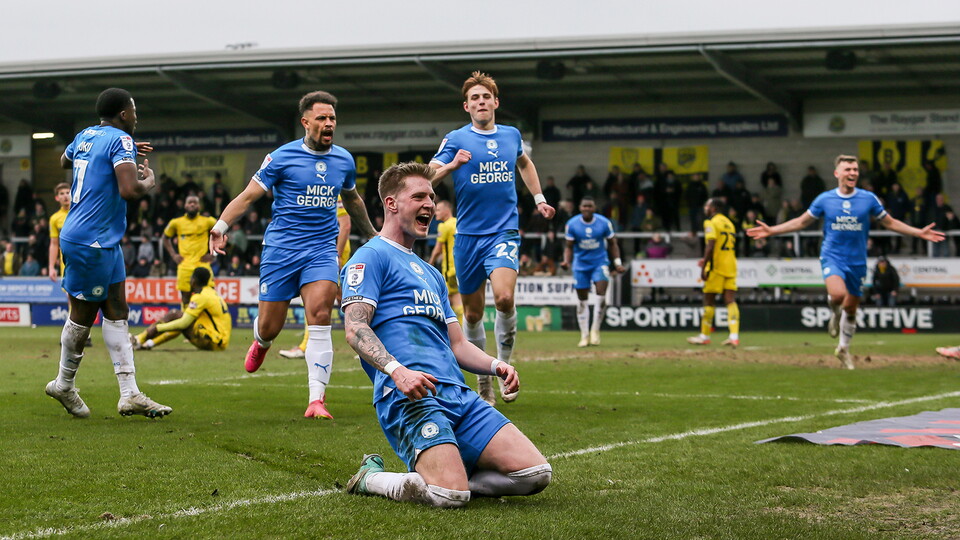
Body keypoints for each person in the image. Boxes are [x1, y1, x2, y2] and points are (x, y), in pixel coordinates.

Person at [341, 162, 551, 508]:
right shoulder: (370, 257)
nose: (430, 204)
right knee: (448, 496)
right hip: (411, 393)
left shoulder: (431, 274)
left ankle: (451, 470)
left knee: (535, 474)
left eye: (432, 197)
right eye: (419, 196)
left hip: (458, 395)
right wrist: (398, 372)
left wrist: (497, 365)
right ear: (391, 203)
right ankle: (372, 478)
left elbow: (458, 345)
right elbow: (356, 328)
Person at [210, 90, 377, 419]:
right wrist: (221, 225)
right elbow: (248, 196)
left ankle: (317, 400)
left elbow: (353, 200)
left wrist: (372, 235)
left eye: (332, 118)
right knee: (272, 325)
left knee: (320, 315)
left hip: (321, 250)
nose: (329, 123)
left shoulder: (343, 160)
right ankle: (261, 340)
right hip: (281, 251)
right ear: (306, 122)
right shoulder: (281, 157)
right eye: (321, 118)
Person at [428, 71, 555, 406]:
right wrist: (452, 164)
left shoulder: (512, 135)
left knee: (503, 298)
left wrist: (539, 199)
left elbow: (525, 164)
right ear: (467, 106)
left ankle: (505, 371)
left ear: (495, 103)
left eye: (486, 97)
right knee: (471, 315)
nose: (481, 102)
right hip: (467, 237)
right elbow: (427, 176)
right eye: (475, 99)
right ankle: (483, 380)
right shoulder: (456, 138)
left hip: (503, 232)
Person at [747, 155, 944, 369]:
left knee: (851, 309)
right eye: (848, 169)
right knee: (838, 295)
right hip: (833, 255)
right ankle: (834, 311)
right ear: (837, 173)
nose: (852, 173)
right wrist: (772, 230)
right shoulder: (824, 199)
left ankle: (843, 349)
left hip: (857, 261)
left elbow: (890, 222)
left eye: (855, 169)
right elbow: (801, 222)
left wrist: (918, 232)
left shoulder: (869, 199)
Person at [45, 87, 171, 418]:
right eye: (134, 111)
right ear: (125, 114)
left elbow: (64, 159)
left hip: (102, 240)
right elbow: (129, 190)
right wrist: (149, 182)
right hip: (92, 240)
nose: (136, 117)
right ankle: (63, 384)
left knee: (117, 308)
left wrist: (109, 153)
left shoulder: (87, 134)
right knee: (82, 317)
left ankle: (130, 394)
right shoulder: (121, 140)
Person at [279, 195, 354, 359]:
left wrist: (337, 255)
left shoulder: (334, 192)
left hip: (330, 252)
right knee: (341, 298)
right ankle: (368, 344)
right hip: (322, 251)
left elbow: (346, 226)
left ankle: (307, 346)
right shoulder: (316, 191)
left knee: (342, 298)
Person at [559, 196, 625, 347]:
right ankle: (584, 335)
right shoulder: (572, 224)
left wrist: (617, 263)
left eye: (590, 206)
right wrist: (566, 262)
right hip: (580, 265)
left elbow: (613, 244)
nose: (587, 209)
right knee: (582, 300)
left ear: (594, 208)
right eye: (584, 206)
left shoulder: (604, 223)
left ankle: (595, 330)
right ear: (580, 208)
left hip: (599, 263)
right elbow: (569, 247)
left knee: (601, 295)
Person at [131, 267, 231, 351]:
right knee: (181, 321)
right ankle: (147, 343)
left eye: (191, 277)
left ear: (194, 280)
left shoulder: (201, 297)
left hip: (212, 340)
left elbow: (183, 323)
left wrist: (157, 328)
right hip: (220, 342)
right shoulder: (211, 293)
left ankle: (139, 339)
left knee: (175, 315)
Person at [687, 198, 741, 347]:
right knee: (730, 300)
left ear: (714, 208)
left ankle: (704, 336)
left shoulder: (711, 222)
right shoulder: (729, 223)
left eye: (707, 205)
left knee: (708, 300)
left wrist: (705, 264)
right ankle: (734, 336)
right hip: (730, 265)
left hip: (716, 267)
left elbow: (710, 245)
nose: (705, 208)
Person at [163, 195, 217, 307]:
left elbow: (223, 233)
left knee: (208, 294)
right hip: (184, 265)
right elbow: (165, 238)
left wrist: (213, 254)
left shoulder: (208, 221)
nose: (192, 204)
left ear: (199, 206)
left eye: (195, 202)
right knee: (185, 298)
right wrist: (173, 255)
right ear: (185, 205)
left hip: (202, 264)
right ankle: (186, 322)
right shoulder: (176, 223)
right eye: (189, 202)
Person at [427, 200, 464, 324]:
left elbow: (438, 248)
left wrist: (430, 263)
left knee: (447, 301)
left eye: (438, 210)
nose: (435, 212)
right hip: (460, 267)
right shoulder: (458, 223)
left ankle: (453, 330)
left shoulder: (444, 226)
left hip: (449, 270)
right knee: (455, 298)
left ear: (446, 211)